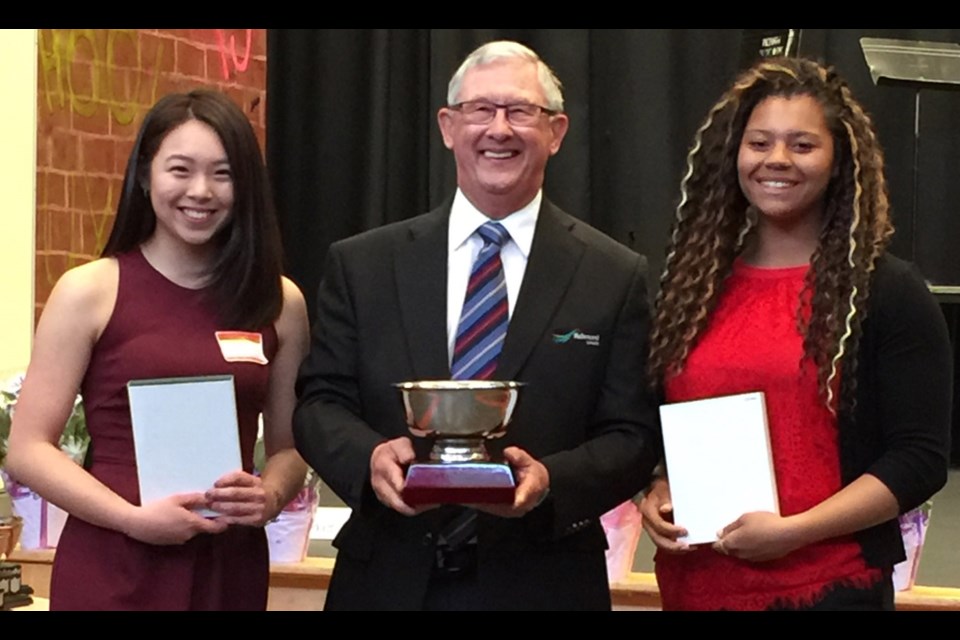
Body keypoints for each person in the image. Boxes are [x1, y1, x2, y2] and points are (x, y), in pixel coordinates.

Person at [293, 40, 659, 610]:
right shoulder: (364, 264)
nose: (499, 129)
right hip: (387, 580)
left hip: (545, 584)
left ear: (557, 132)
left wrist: (550, 482)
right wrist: (369, 460)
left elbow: (632, 434)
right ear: (447, 125)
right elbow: (319, 403)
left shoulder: (612, 275)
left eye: (520, 111)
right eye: (480, 110)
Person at [640, 57, 952, 611]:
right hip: (697, 587)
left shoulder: (887, 292)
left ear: (839, 162)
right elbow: (666, 430)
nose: (776, 160)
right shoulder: (692, 289)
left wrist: (795, 530)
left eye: (802, 145)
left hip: (829, 588)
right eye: (760, 143)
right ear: (735, 154)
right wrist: (660, 489)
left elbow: (919, 459)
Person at [6, 89, 310, 610]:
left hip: (227, 563)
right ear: (146, 177)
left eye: (223, 173)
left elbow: (290, 447)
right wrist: (132, 518)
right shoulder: (89, 291)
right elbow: (28, 449)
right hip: (114, 556)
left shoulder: (280, 301)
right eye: (180, 170)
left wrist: (271, 495)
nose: (201, 190)